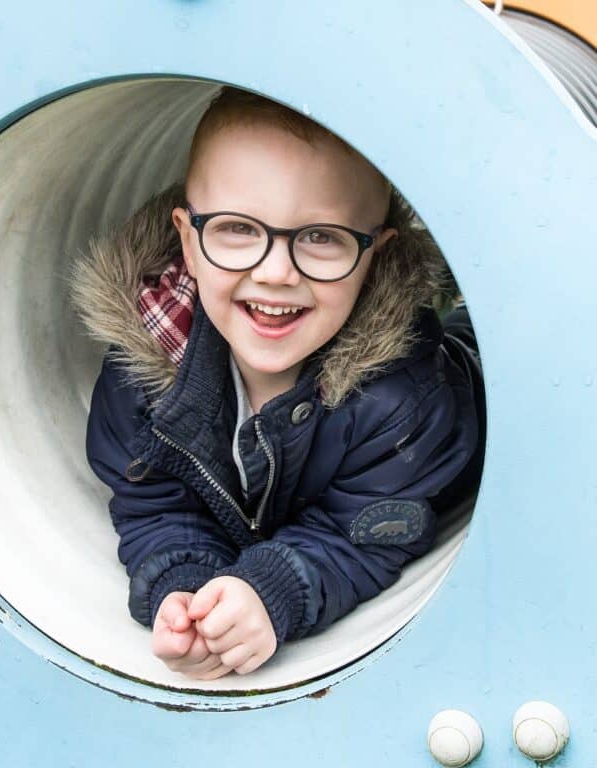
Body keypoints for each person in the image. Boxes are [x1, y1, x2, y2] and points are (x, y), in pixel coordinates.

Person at [71, 86, 485, 680]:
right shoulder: (144, 370)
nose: (274, 272)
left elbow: (368, 531)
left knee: (478, 342)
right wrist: (186, 586)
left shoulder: (402, 399)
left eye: (320, 237)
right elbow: (153, 500)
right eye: (238, 229)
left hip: (455, 411)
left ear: (374, 255)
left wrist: (272, 592)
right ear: (188, 241)